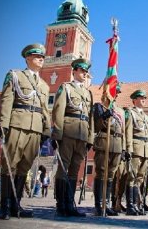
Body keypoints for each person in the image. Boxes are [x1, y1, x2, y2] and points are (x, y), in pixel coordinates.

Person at [0, 43, 51, 219]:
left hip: (35, 129)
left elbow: (44, 110)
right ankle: (4, 207)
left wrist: (47, 130)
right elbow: (6, 101)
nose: (41, 59)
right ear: (27, 58)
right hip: (17, 125)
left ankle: (16, 205)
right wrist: (3, 124)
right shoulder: (15, 76)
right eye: (37, 56)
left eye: (42, 57)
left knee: (24, 168)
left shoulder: (44, 85)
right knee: (9, 166)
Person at [51, 58, 94, 217]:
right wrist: (57, 134)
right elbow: (58, 112)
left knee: (74, 171)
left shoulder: (88, 93)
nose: (84, 74)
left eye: (86, 72)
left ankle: (70, 204)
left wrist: (90, 138)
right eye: (82, 71)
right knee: (63, 169)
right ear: (74, 71)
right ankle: (61, 204)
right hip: (68, 133)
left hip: (82, 135)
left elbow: (89, 117)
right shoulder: (66, 88)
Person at [92, 84, 124, 216]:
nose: (115, 94)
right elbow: (96, 125)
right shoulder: (99, 107)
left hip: (117, 144)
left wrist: (124, 148)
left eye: (116, 92)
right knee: (101, 173)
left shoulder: (120, 111)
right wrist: (105, 115)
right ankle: (99, 204)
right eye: (113, 91)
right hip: (104, 142)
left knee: (111, 175)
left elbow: (123, 131)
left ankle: (107, 203)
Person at [124, 89, 148, 216]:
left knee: (140, 178)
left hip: (146, 150)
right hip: (135, 148)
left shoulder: (146, 117)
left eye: (144, 97)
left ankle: (136, 204)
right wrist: (128, 148)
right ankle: (130, 205)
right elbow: (128, 132)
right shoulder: (131, 113)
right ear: (134, 100)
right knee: (132, 177)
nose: (143, 99)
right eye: (140, 98)